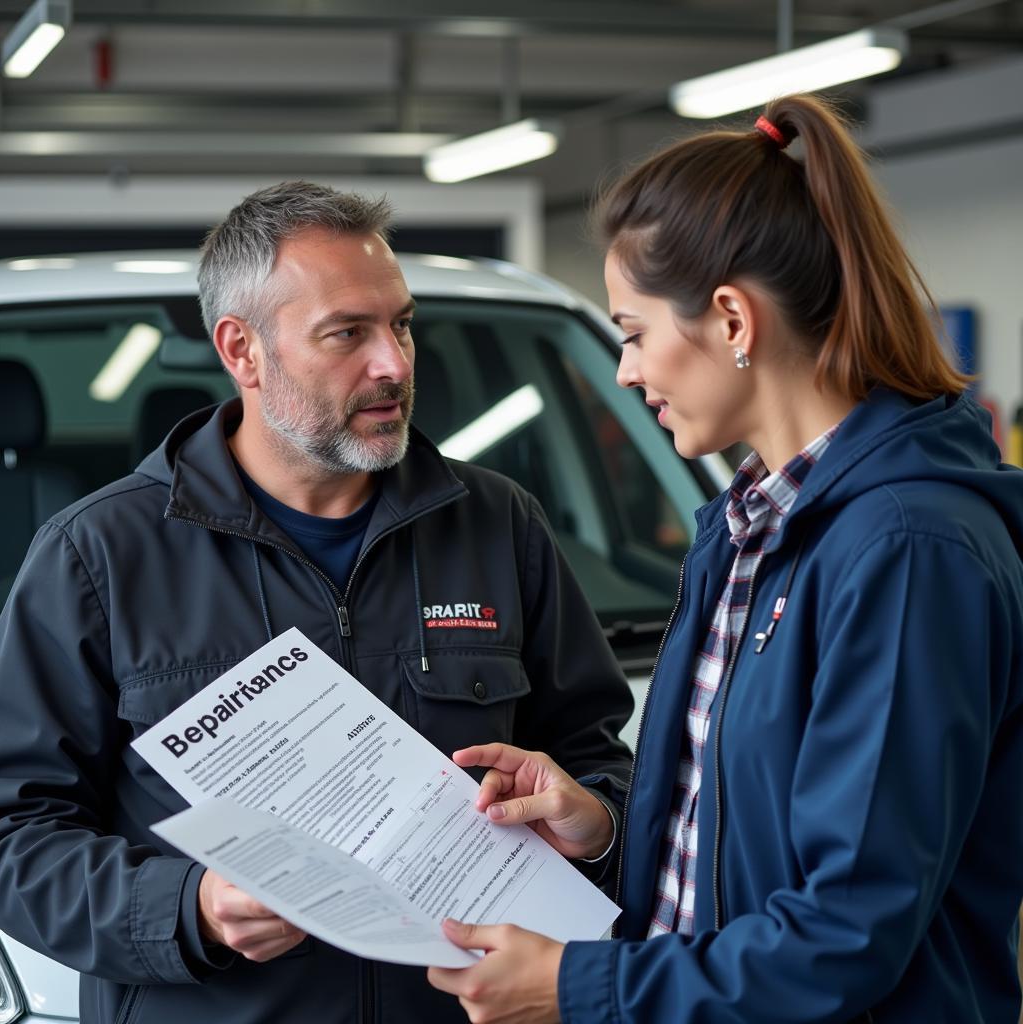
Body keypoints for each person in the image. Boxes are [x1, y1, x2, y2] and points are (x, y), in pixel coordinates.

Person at [426, 94, 1023, 1023]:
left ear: (734, 320)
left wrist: (575, 986)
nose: (627, 372)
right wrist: (604, 831)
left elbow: (844, 934)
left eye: (632, 333)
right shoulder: (748, 531)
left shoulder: (908, 552)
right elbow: (737, 852)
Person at [0, 181, 633, 1024]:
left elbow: (604, 763)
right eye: (348, 334)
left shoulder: (497, 525)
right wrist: (188, 909)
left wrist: (596, 817)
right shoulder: (97, 557)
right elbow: (14, 837)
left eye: (401, 323)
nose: (395, 364)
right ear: (243, 350)